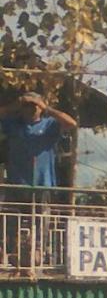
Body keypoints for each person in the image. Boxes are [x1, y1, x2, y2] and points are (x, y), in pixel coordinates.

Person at [0, 93, 77, 268]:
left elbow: (71, 123)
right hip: (17, 183)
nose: (30, 109)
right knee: (11, 222)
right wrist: (15, 105)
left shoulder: (49, 125)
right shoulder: (14, 124)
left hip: (42, 183)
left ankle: (38, 254)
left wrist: (46, 108)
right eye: (27, 106)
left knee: (40, 223)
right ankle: (10, 254)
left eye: (34, 107)